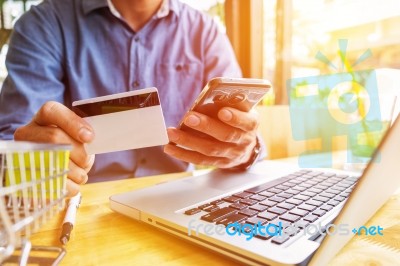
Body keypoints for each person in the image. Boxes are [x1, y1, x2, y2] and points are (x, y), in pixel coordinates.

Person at [0, 0, 262, 195]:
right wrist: (23, 163)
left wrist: (245, 150)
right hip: (79, 203)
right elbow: (14, 140)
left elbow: (246, 136)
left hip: (178, 198)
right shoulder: (45, 23)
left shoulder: (205, 31)